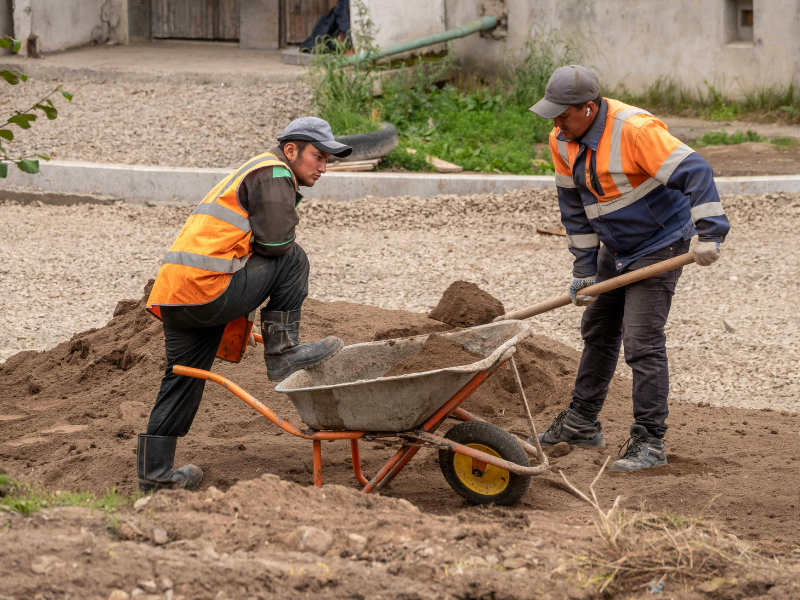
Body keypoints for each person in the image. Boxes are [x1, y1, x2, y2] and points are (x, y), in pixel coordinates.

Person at [528, 66, 730, 472]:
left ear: (588, 108)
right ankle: (582, 422)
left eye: (563, 115)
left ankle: (650, 442)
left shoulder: (635, 130)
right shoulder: (561, 139)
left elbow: (696, 171)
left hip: (660, 244)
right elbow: (574, 209)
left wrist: (711, 233)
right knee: (599, 329)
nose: (556, 124)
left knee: (642, 341)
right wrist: (584, 270)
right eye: (552, 115)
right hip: (617, 246)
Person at [137, 117, 352, 492]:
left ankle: (155, 478)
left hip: (177, 296)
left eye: (327, 160)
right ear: (291, 150)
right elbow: (276, 245)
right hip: (208, 291)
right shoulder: (274, 172)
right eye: (318, 157)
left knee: (181, 378)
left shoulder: (253, 169)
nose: (323, 167)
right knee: (293, 258)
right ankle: (283, 351)